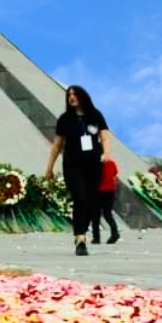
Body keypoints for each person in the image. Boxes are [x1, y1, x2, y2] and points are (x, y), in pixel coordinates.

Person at [43, 85, 115, 257]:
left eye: (75, 94)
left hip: (93, 163)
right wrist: (49, 167)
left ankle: (82, 232)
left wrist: (106, 153)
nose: (72, 97)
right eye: (69, 95)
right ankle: (80, 239)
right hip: (73, 164)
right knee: (80, 199)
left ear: (83, 96)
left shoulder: (95, 115)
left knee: (91, 203)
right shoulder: (65, 119)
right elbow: (57, 145)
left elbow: (105, 136)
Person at [95, 154, 121, 244]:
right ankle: (115, 232)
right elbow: (115, 173)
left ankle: (96, 237)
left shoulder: (96, 163)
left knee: (96, 213)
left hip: (99, 190)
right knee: (107, 213)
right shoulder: (111, 163)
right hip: (111, 190)